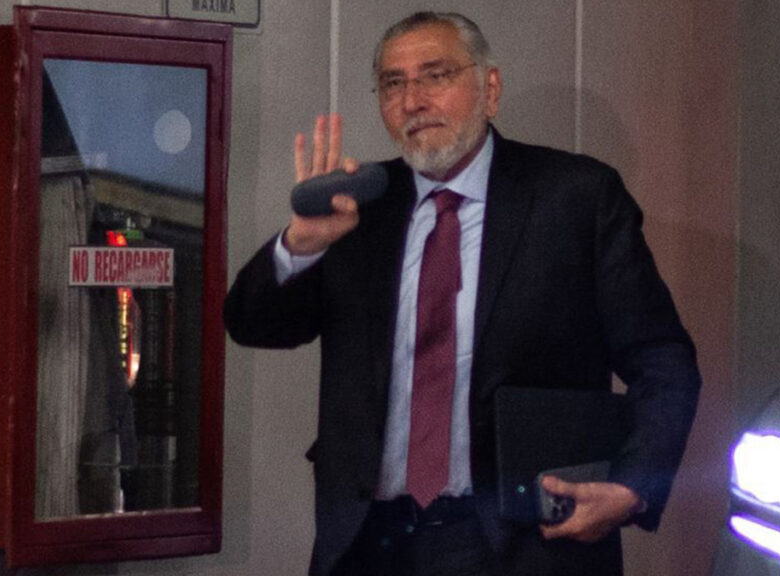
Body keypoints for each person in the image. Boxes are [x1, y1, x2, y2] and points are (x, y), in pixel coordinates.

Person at [225, 11, 701, 576]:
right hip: (370, 543)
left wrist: (634, 485)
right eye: (393, 84)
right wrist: (300, 246)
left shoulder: (576, 198)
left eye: (436, 75)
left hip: (525, 545)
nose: (413, 101)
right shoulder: (357, 209)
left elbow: (661, 358)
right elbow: (253, 323)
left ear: (489, 89)